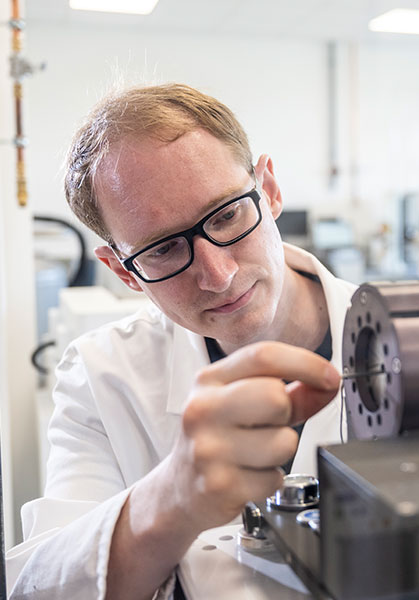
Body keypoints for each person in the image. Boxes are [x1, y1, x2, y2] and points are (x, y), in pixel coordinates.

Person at [6, 83, 356, 599]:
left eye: (227, 215)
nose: (218, 274)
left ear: (270, 190)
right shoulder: (101, 376)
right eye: (164, 249)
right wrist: (172, 497)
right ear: (123, 273)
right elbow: (39, 587)